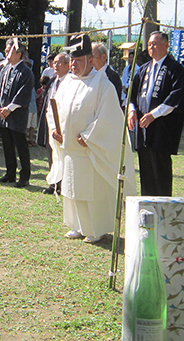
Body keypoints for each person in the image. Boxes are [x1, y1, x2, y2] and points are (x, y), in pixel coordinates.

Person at [46, 34, 135, 243]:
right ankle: (77, 225)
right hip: (69, 148)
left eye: (78, 60)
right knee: (71, 189)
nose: (74, 64)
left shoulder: (103, 85)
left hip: (89, 150)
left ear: (90, 60)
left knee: (89, 191)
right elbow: (54, 110)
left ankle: (95, 228)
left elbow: (109, 117)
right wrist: (54, 130)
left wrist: (90, 136)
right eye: (72, 60)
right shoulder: (67, 82)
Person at [128, 30, 184, 197]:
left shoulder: (174, 68)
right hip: (143, 126)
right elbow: (132, 94)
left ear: (166, 45)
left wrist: (154, 114)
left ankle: (163, 207)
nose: (151, 47)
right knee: (146, 168)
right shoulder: (144, 69)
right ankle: (147, 203)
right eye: (149, 44)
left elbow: (177, 94)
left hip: (162, 126)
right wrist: (132, 111)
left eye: (155, 43)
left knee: (160, 169)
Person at [0, 39, 37, 188]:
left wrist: (9, 109)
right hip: (3, 114)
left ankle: (24, 176)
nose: (6, 53)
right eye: (6, 50)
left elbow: (23, 94)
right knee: (7, 145)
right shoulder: (5, 70)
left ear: (19, 54)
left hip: (17, 114)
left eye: (9, 50)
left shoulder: (26, 72)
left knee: (21, 145)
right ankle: (10, 173)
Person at [41, 52, 70, 195]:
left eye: (59, 63)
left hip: (64, 124)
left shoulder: (71, 82)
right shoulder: (52, 81)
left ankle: (63, 184)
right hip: (51, 123)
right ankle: (53, 183)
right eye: (54, 62)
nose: (55, 65)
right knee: (51, 153)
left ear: (67, 65)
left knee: (63, 154)